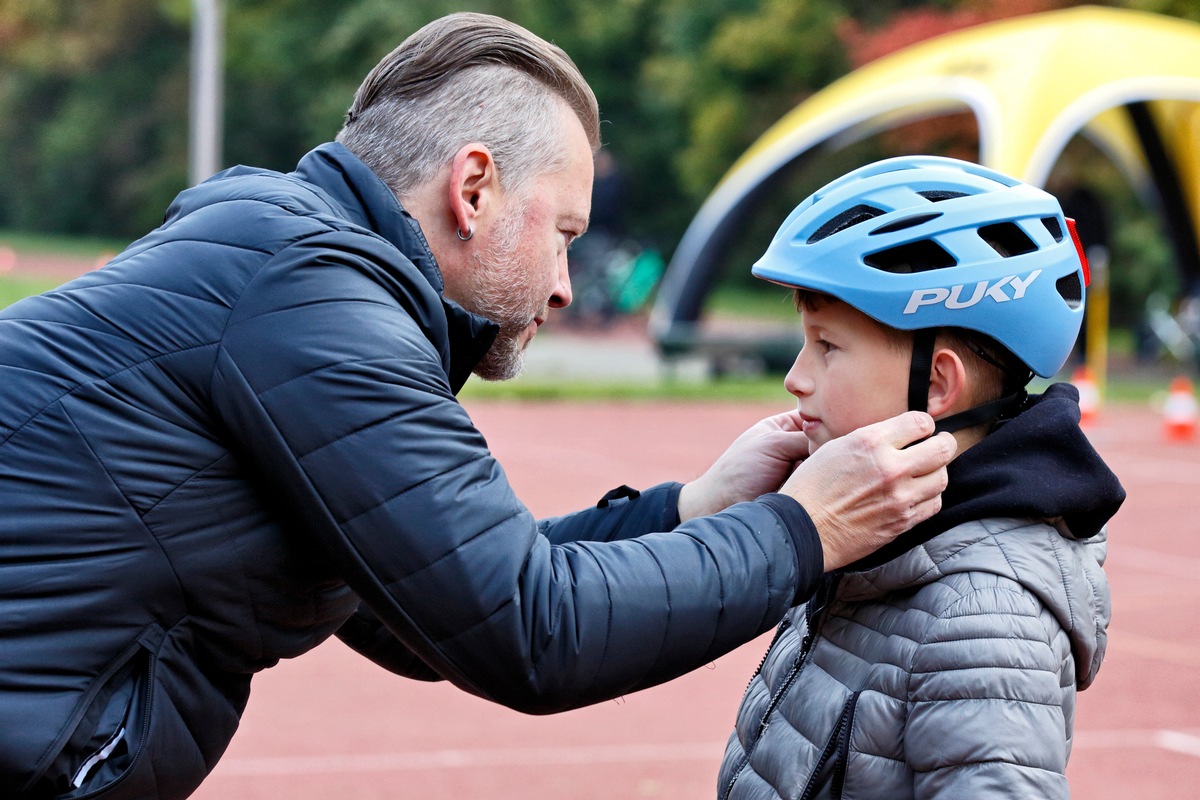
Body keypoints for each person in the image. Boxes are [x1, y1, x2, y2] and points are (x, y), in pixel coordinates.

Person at [0, 14, 956, 800]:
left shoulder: (283, 264)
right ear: (474, 187)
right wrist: (807, 529)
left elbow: (438, 608)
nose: (566, 285)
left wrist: (697, 508)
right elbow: (527, 632)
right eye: (564, 232)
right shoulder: (311, 298)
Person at [717, 155, 1127, 800]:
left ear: (936, 385)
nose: (796, 377)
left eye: (827, 346)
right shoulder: (877, 533)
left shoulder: (985, 621)